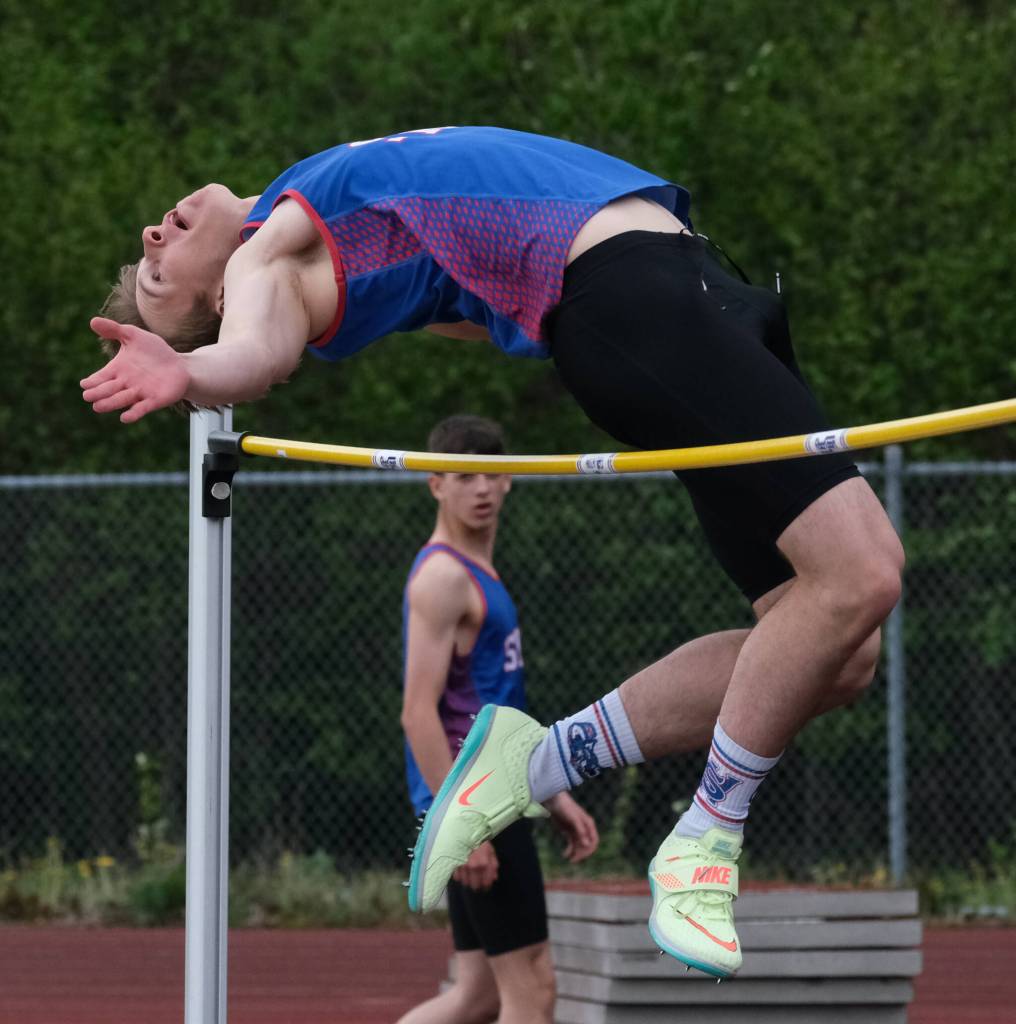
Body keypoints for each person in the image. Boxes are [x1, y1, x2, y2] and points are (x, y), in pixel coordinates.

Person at [81, 125, 904, 976]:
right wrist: (198, 374)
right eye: (155, 276)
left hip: (682, 296)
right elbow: (257, 354)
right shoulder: (266, 260)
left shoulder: (348, 228)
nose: (152, 235)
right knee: (862, 573)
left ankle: (530, 759)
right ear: (219, 300)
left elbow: (484, 286)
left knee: (838, 651)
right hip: (639, 300)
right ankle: (703, 843)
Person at [398, 414, 598, 1024]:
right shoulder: (444, 579)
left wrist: (551, 794)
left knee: (479, 995)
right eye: (464, 476)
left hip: (497, 793)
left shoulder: (478, 572)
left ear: (511, 480)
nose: (482, 487)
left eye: (493, 473)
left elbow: (497, 708)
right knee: (531, 992)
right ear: (436, 484)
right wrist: (463, 826)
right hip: (475, 802)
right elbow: (417, 713)